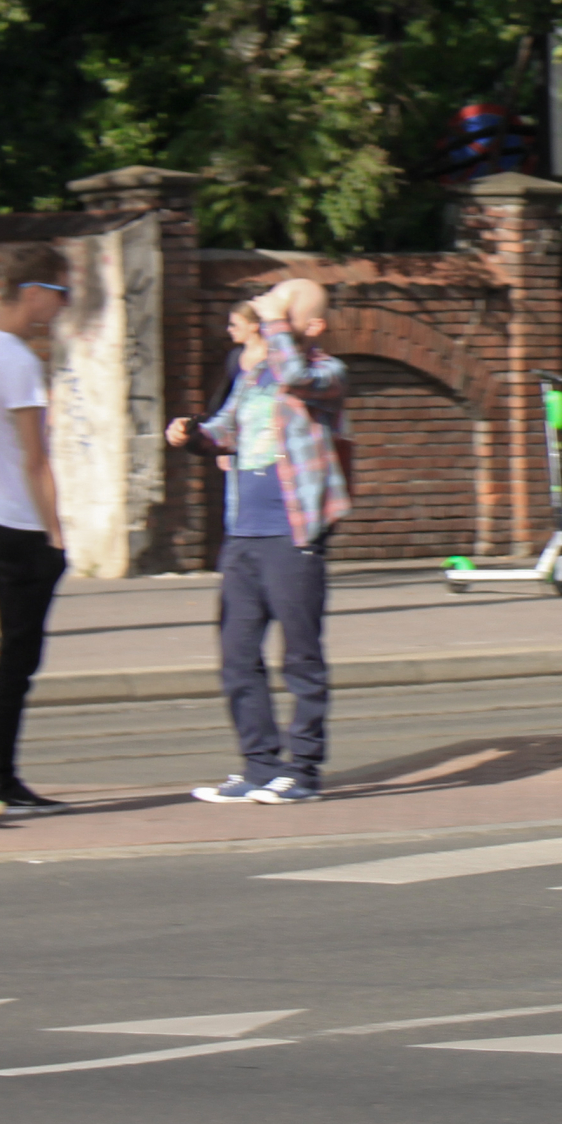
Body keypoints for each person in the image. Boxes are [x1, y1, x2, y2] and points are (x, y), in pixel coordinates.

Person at [166, 276, 349, 804]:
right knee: (237, 654)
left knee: (301, 657)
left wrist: (271, 320)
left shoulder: (326, 372)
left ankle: (305, 772)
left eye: (284, 315)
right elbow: (227, 429)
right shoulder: (255, 376)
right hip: (243, 534)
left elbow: (295, 374)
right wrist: (194, 434)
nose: (270, 322)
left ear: (311, 327)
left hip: (292, 534)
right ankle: (260, 766)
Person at [0, 244, 73, 819]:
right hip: (15, 524)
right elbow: (35, 458)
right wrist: (58, 539)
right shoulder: (16, 358)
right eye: (61, 295)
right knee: (18, 657)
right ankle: (0, 780)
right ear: (36, 292)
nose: (62, 308)